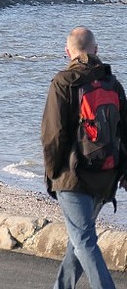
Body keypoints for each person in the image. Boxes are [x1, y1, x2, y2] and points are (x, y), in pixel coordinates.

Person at [41, 27, 127, 289]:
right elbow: (124, 131)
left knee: (83, 240)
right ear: (96, 50)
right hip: (105, 176)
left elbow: (52, 134)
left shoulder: (64, 81)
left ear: (67, 52)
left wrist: (52, 172)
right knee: (78, 241)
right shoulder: (113, 83)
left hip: (73, 176)